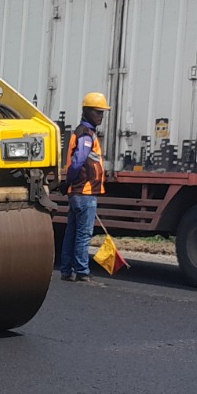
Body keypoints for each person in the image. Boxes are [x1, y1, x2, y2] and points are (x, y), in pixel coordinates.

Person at [59, 91, 110, 282]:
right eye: (98, 112)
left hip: (77, 192)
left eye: (102, 113)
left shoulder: (82, 132)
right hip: (85, 192)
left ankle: (66, 270)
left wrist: (68, 184)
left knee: (71, 232)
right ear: (87, 112)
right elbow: (79, 159)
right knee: (83, 233)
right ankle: (81, 271)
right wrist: (70, 181)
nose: (101, 116)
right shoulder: (86, 135)